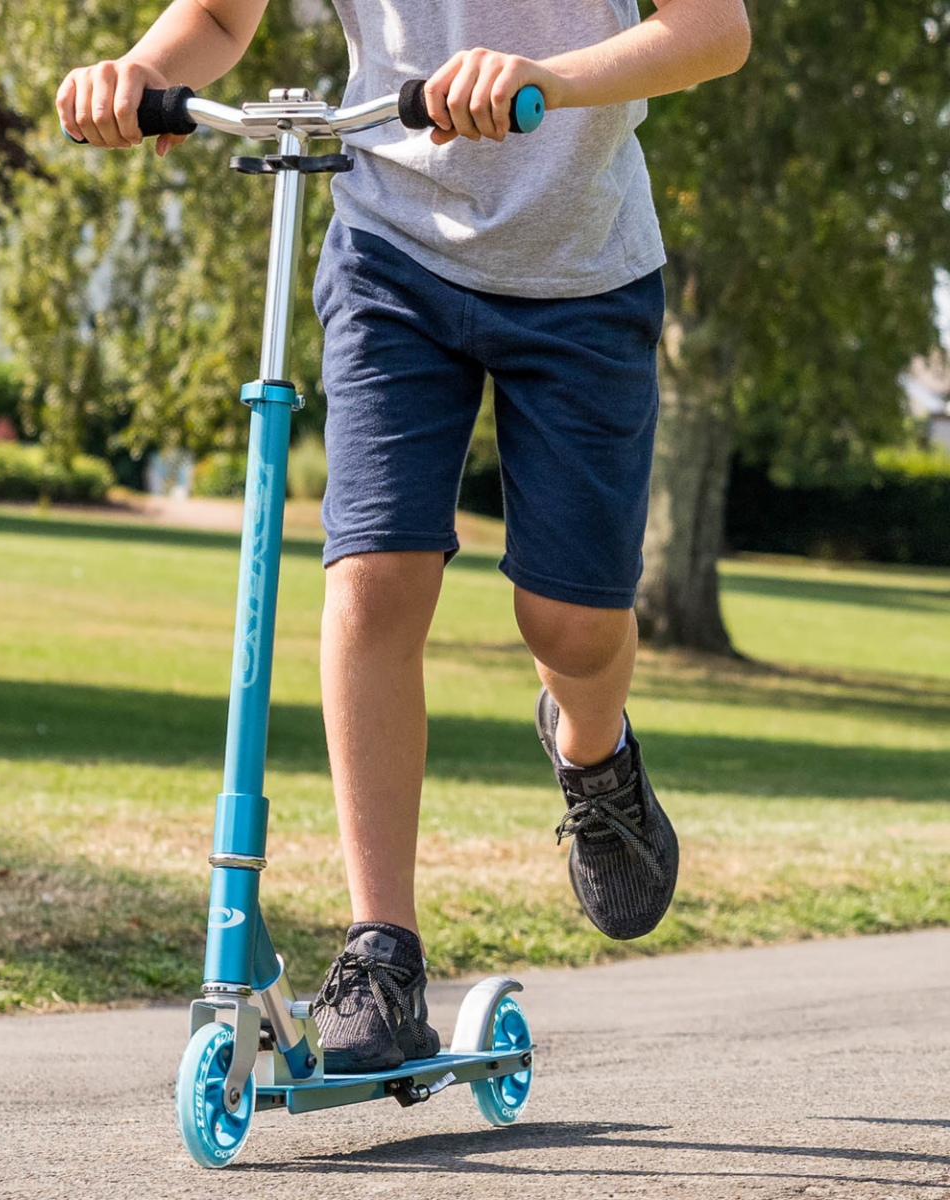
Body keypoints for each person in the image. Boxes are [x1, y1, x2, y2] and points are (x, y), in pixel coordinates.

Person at [58, 0, 751, 1074]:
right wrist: (140, 69)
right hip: (391, 251)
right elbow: (217, 14)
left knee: (569, 625)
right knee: (375, 577)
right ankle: (382, 951)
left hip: (582, 274)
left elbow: (717, 31)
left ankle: (595, 755)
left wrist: (552, 79)